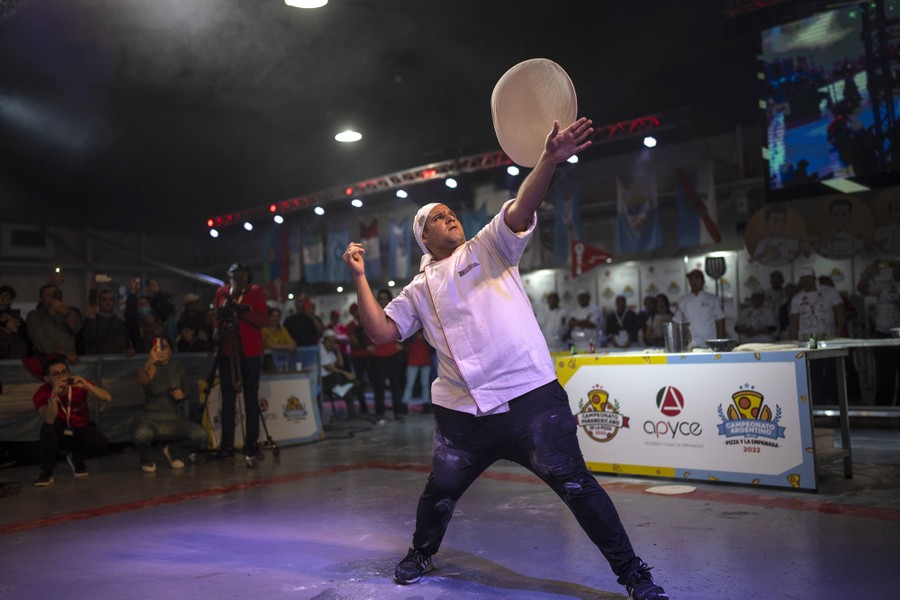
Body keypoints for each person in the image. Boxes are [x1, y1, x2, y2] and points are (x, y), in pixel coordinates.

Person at [342, 117, 668, 599]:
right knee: (440, 490)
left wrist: (549, 159)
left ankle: (635, 575)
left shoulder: (490, 246)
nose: (450, 217)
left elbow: (521, 205)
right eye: (437, 217)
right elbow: (381, 334)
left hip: (529, 399)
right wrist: (359, 278)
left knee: (578, 487)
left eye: (452, 212)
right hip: (462, 413)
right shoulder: (415, 289)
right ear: (424, 239)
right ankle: (421, 551)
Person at [212, 263, 268, 463]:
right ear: (229, 277)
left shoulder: (255, 291)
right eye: (235, 277)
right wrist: (216, 331)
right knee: (227, 399)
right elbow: (216, 318)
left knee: (251, 399)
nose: (239, 281)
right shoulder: (222, 292)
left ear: (248, 278)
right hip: (227, 351)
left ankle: (251, 444)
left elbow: (263, 320)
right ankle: (226, 445)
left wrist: (242, 311)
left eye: (243, 277)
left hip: (250, 352)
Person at [32, 357, 112, 486]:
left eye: (64, 372)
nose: (61, 377)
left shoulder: (78, 386)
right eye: (56, 374)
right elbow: (49, 419)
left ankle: (76, 459)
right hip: (59, 431)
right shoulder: (42, 393)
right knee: (48, 428)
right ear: (47, 379)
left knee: (100, 443)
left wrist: (87, 385)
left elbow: (107, 397)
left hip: (79, 428)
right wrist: (53, 395)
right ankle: (47, 471)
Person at [133, 336, 208, 472]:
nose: (161, 351)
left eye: (164, 347)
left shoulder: (177, 366)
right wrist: (149, 361)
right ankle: (147, 458)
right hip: (152, 419)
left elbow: (187, 391)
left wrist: (181, 394)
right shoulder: (149, 367)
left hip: (174, 419)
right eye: (157, 348)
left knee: (201, 435)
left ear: (170, 351)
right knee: (141, 435)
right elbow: (139, 381)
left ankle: (174, 451)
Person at [857, 260, 900, 406]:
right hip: (884, 334)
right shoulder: (885, 284)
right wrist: (867, 273)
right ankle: (883, 409)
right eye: (897, 267)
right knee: (884, 375)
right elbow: (862, 289)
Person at [368, 288, 407, 421]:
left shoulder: (396, 312)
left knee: (396, 386)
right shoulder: (373, 312)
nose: (383, 300)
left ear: (389, 299)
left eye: (385, 298)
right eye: (381, 298)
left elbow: (409, 326)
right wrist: (366, 346)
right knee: (379, 387)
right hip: (378, 356)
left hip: (394, 355)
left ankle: (398, 413)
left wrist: (403, 345)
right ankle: (379, 413)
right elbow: (364, 328)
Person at [27, 283, 83, 362]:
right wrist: (65, 353)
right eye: (49, 294)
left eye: (55, 294)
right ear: (41, 298)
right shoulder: (35, 316)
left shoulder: (69, 312)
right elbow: (40, 342)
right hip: (47, 360)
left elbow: (77, 328)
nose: (52, 297)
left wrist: (66, 314)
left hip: (70, 360)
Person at [789, 267, 845, 342]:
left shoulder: (830, 291)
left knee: (826, 353)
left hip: (827, 337)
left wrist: (839, 331)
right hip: (806, 338)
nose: (806, 280)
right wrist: (793, 342)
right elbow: (794, 322)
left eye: (808, 277)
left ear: (814, 278)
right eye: (803, 278)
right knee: (812, 352)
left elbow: (840, 312)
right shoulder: (796, 298)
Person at [673, 269, 725, 348]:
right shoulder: (683, 300)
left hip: (709, 345)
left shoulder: (712, 299)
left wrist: (720, 343)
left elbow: (720, 321)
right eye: (691, 279)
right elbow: (676, 323)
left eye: (696, 279)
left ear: (703, 281)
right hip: (689, 345)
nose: (694, 282)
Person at [83, 288, 135, 356]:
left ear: (115, 302)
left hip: (118, 362)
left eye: (110, 299)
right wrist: (91, 317)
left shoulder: (120, 322)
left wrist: (129, 349)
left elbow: (126, 343)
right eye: (104, 299)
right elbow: (89, 337)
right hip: (97, 363)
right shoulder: (92, 320)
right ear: (98, 302)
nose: (107, 302)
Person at [346, 302, 372, 414]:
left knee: (373, 380)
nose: (357, 313)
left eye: (358, 310)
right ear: (352, 313)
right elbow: (354, 342)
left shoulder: (367, 323)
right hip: (357, 356)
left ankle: (378, 405)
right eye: (355, 311)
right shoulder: (350, 326)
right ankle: (363, 406)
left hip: (368, 355)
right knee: (359, 382)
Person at [401, 330, 432, 412]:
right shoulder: (411, 333)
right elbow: (404, 344)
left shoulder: (426, 332)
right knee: (410, 384)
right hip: (414, 361)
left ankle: (425, 404)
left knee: (424, 384)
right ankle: (404, 404)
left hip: (424, 360)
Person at [261, 307, 297, 372]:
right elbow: (269, 345)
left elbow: (292, 344)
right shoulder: (264, 329)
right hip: (267, 363)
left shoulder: (283, 329)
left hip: (282, 362)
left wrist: (291, 345)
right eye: (273, 316)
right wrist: (286, 347)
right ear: (268, 317)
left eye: (278, 316)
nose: (275, 319)